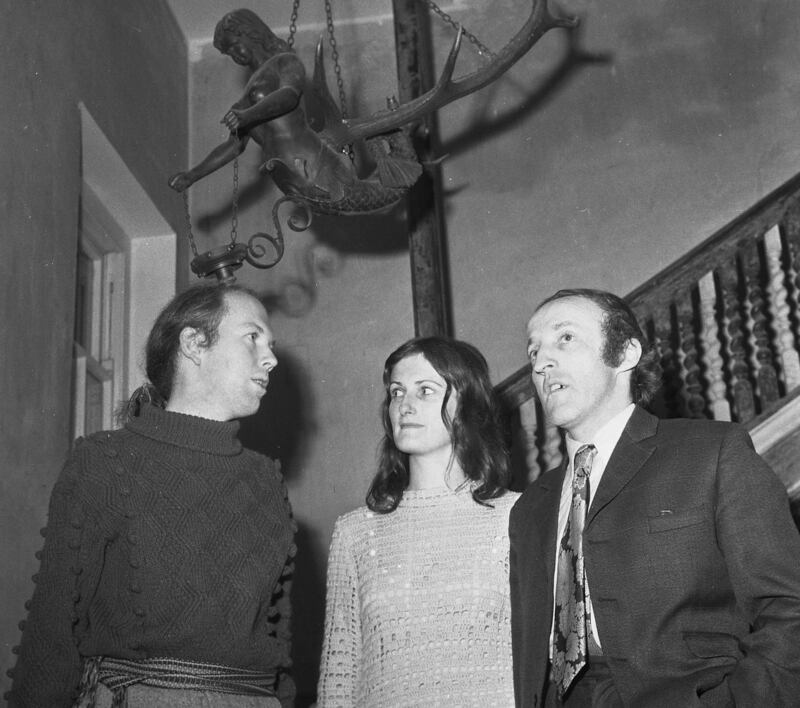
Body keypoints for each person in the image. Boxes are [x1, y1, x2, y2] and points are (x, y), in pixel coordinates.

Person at [6, 283, 297, 707]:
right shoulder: (105, 460)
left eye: (270, 344)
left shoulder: (267, 480)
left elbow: (278, 639)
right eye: (253, 336)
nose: (270, 357)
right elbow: (51, 631)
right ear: (195, 344)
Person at [509, 287, 800, 707]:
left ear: (626, 353)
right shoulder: (529, 509)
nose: (541, 362)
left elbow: (789, 609)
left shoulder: (712, 453)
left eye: (565, 338)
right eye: (533, 350)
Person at [317, 336, 518, 707]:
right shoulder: (356, 533)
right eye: (396, 392)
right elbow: (339, 674)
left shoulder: (515, 517)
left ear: (467, 405)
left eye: (425, 391)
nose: (404, 406)